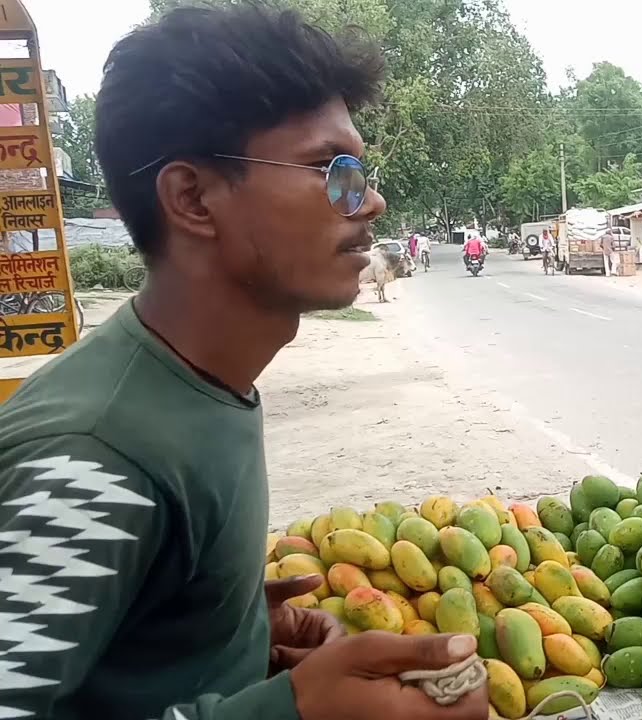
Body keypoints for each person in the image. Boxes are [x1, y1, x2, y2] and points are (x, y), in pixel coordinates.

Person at [0, 6, 488, 720]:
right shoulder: (92, 460)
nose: (371, 200)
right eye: (331, 169)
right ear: (193, 199)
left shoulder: (207, 387)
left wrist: (219, 635)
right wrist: (293, 712)